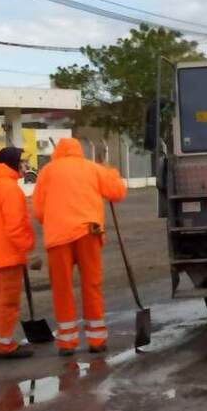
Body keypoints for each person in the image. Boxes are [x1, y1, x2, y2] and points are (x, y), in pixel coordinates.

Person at [32, 138, 126, 356]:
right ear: (79, 151)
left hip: (58, 237)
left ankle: (67, 342)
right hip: (88, 232)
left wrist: (55, 219)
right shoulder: (92, 168)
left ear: (57, 152)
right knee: (91, 284)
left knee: (62, 288)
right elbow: (117, 192)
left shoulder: (47, 172)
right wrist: (110, 172)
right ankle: (97, 340)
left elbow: (38, 211)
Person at [0, 147, 35, 359]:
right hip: (9, 253)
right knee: (9, 301)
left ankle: (0, 337)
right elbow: (16, 226)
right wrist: (26, 248)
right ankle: (5, 345)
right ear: (12, 163)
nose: (25, 166)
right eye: (21, 162)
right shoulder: (10, 189)